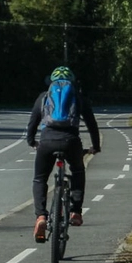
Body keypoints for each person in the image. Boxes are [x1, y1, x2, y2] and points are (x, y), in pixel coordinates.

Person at [25, 65, 100, 243]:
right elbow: (92, 124)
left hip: (47, 141)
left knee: (40, 179)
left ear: (51, 82)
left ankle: (41, 216)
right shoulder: (79, 97)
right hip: (71, 142)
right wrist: (95, 146)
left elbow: (32, 123)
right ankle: (76, 212)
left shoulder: (43, 97)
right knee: (78, 171)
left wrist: (32, 142)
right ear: (72, 82)